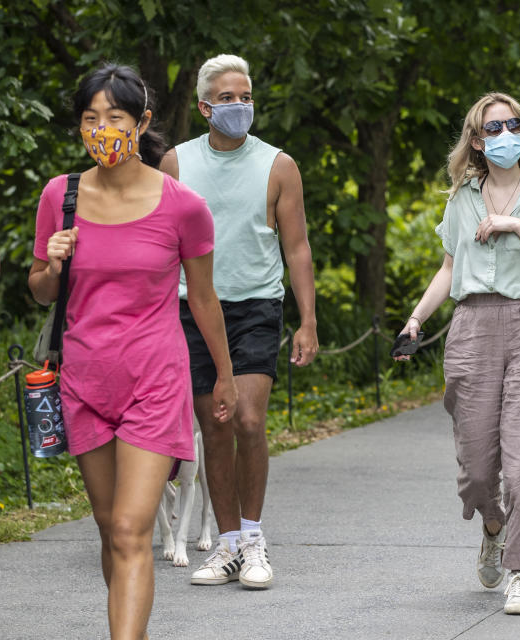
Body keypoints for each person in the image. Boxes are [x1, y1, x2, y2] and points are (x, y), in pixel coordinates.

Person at [28, 64, 237, 638]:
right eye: (90, 119)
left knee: (129, 529)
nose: (102, 129)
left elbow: (204, 299)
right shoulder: (61, 196)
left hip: (155, 379)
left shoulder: (183, 206)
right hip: (84, 381)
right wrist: (52, 260)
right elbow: (41, 291)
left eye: (115, 118)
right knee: (108, 529)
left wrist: (224, 374)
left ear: (142, 122)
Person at [396, 92, 520, 615]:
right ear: (476, 140)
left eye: (513, 125)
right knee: (477, 468)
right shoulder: (462, 198)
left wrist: (518, 226)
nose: (505, 136)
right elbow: (450, 268)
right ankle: (493, 526)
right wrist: (415, 320)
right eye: (493, 129)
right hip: (473, 326)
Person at [160, 53, 318, 590]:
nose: (239, 106)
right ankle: (226, 545)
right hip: (192, 308)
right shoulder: (176, 164)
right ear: (204, 106)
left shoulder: (279, 165)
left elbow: (296, 248)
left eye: (246, 97)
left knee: (248, 420)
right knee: (215, 425)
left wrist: (308, 321)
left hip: (255, 305)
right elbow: (163, 249)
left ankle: (252, 538)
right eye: (227, 98)